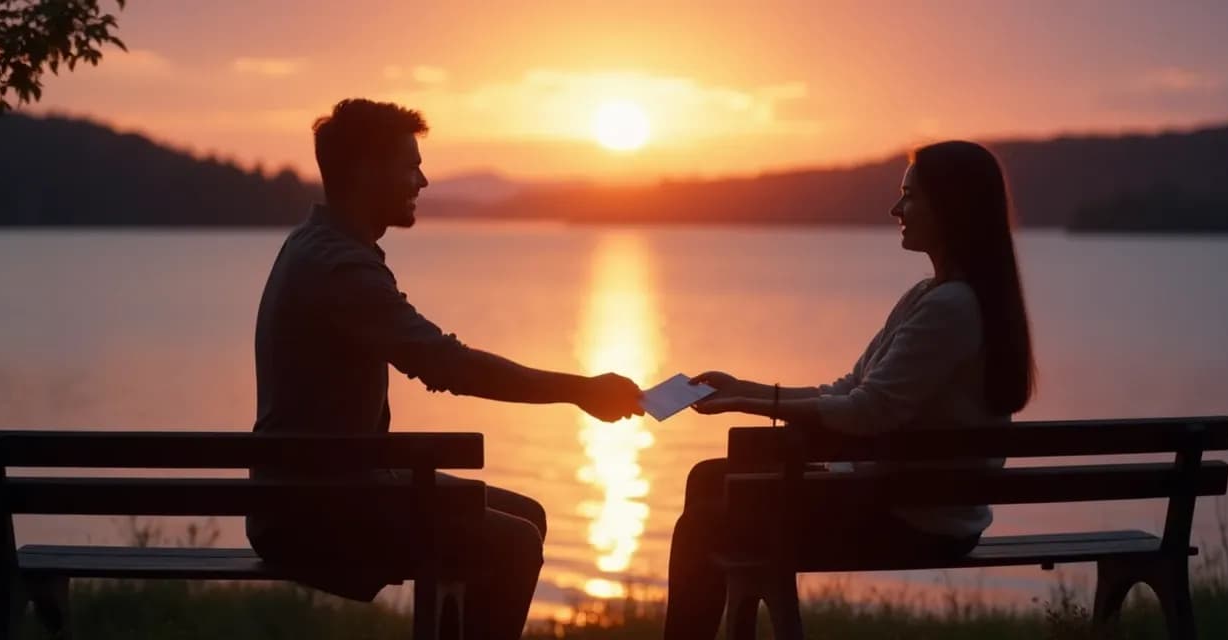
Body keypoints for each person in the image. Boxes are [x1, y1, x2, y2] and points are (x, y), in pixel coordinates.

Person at [246, 98, 643, 640]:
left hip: (312, 492)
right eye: (410, 165)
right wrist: (579, 391)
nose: (423, 180)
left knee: (525, 515)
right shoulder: (339, 266)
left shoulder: (313, 247)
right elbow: (448, 366)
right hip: (317, 514)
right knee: (515, 542)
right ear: (365, 171)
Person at [664, 140, 1036, 638]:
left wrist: (750, 404)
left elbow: (867, 412)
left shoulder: (951, 307)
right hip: (925, 509)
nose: (896, 209)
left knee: (703, 523)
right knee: (710, 478)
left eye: (910, 196)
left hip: (916, 523)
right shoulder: (936, 296)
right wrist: (744, 388)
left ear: (951, 207)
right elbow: (849, 388)